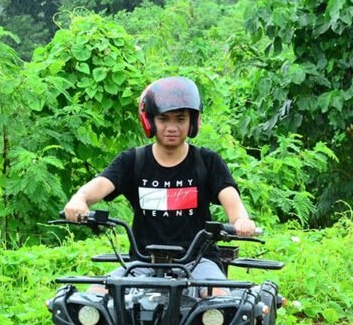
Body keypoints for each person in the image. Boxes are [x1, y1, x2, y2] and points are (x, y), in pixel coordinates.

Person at [63, 76, 256, 289]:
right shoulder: (133, 160)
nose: (172, 127)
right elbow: (101, 184)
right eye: (164, 119)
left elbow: (231, 199)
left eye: (180, 119)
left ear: (193, 121)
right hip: (143, 263)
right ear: (150, 121)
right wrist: (79, 199)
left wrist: (241, 221)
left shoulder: (207, 161)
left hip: (199, 262)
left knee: (221, 301)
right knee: (96, 296)